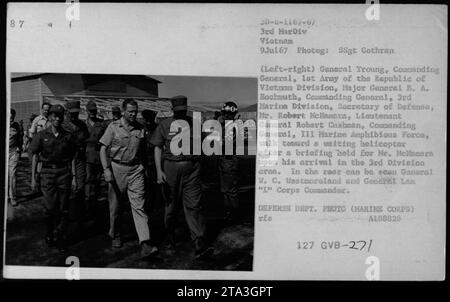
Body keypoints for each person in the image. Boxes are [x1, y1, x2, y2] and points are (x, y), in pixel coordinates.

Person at [151, 95, 213, 259]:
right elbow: (157, 147)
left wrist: (201, 166)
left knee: (194, 205)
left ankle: (198, 240)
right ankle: (170, 235)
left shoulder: (195, 123)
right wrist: (159, 171)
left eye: (183, 111)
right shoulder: (164, 124)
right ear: (172, 110)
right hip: (171, 167)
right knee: (171, 207)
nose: (181, 114)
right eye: (178, 111)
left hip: (192, 168)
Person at [99, 99, 158, 258]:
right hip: (117, 169)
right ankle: (116, 234)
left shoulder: (140, 129)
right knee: (116, 207)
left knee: (139, 205)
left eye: (135, 111)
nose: (133, 114)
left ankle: (145, 243)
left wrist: (145, 169)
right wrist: (106, 169)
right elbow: (103, 148)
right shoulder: (113, 127)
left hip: (135, 170)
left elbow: (144, 150)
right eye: (130, 111)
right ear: (123, 111)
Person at [29, 104, 77, 253]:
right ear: (49, 117)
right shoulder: (42, 135)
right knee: (50, 208)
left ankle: (61, 238)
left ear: (62, 118)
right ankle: (50, 232)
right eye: (54, 116)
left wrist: (74, 176)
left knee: (63, 209)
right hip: (47, 174)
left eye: (60, 116)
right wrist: (33, 177)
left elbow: (72, 157)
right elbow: (35, 155)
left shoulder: (68, 135)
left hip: (64, 173)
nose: (57, 119)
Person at [62, 100, 89, 229]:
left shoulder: (82, 125)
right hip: (66, 161)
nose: (74, 116)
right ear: (67, 112)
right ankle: (66, 216)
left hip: (79, 159)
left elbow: (86, 140)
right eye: (72, 113)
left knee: (80, 188)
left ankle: (80, 216)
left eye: (76, 113)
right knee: (66, 188)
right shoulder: (63, 126)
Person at [84, 100, 107, 219]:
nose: (92, 113)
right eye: (90, 111)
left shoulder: (101, 124)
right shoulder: (84, 124)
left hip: (98, 155)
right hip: (87, 156)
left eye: (94, 111)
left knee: (98, 182)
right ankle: (88, 206)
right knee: (88, 180)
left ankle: (95, 206)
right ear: (86, 111)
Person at [218, 101, 240, 222]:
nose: (226, 116)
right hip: (225, 159)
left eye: (228, 114)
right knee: (225, 189)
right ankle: (229, 212)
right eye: (225, 113)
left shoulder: (232, 127)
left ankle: (233, 214)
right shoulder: (227, 126)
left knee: (230, 190)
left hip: (229, 159)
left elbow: (226, 145)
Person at [30, 102, 51, 193]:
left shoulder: (51, 120)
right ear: (42, 109)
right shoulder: (37, 120)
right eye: (44, 109)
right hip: (39, 146)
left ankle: (45, 185)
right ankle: (36, 182)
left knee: (45, 168)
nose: (46, 111)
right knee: (37, 167)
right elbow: (31, 132)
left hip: (48, 147)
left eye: (48, 109)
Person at [9, 109, 23, 207]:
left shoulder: (16, 126)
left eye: (12, 117)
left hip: (13, 152)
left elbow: (20, 138)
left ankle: (13, 197)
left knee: (12, 175)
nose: (10, 119)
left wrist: (19, 148)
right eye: (9, 117)